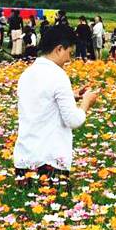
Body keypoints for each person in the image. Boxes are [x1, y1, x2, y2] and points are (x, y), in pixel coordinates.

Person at [13, 25, 99, 186]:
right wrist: (86, 102)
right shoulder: (58, 76)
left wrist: (70, 96)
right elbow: (73, 120)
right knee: (53, 208)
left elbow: (41, 99)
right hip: (50, 160)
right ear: (59, 49)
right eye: (69, 53)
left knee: (26, 209)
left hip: (24, 158)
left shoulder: (27, 74)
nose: (69, 59)